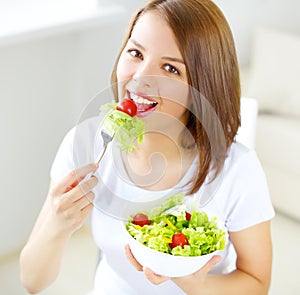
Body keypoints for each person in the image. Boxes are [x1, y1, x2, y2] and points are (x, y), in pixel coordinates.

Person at [20, 0, 275, 294]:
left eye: (170, 68)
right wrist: (57, 225)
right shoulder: (88, 144)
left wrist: (197, 284)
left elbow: (257, 282)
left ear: (202, 87)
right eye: (136, 53)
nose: (141, 78)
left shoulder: (236, 170)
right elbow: (31, 280)